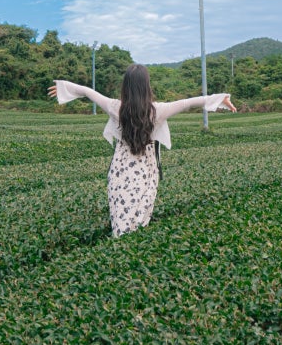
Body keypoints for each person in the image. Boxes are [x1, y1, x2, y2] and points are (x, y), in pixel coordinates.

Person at [48, 64, 237, 237]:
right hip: (145, 173)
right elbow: (189, 102)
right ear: (146, 87)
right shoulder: (157, 111)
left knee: (120, 225)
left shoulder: (115, 107)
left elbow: (88, 92)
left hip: (120, 173)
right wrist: (221, 98)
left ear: (125, 86)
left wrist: (64, 87)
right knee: (138, 223)